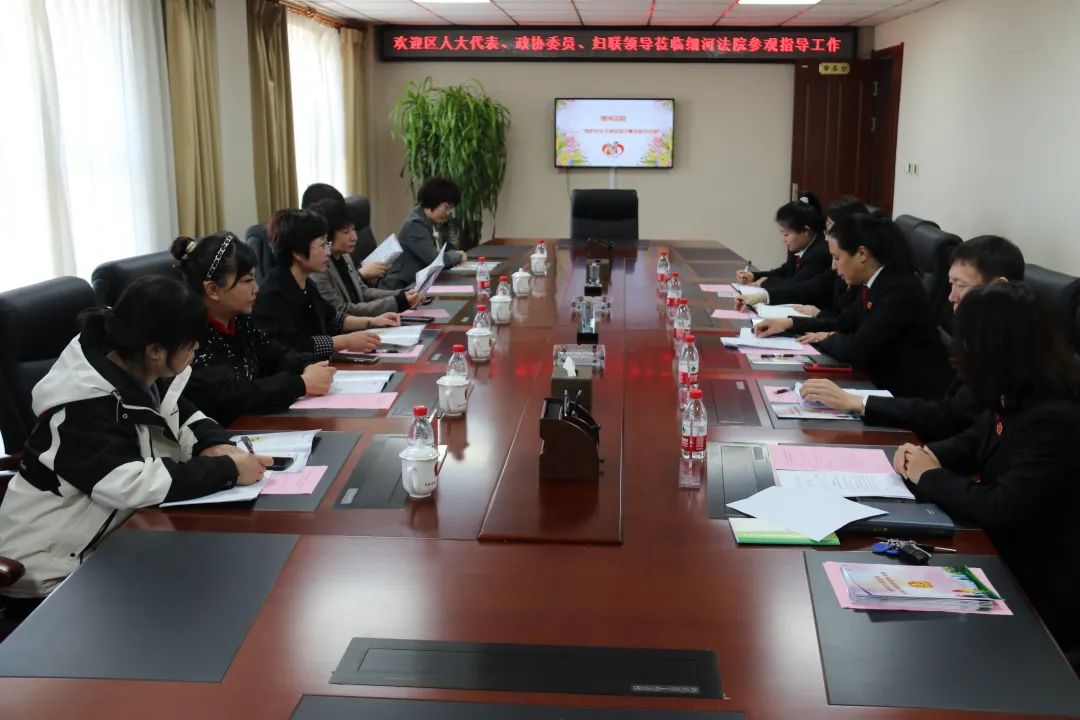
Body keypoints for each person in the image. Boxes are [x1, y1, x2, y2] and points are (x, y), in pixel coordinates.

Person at [0, 276, 272, 607]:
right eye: (190, 343)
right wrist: (226, 470)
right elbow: (130, 483)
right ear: (155, 350)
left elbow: (178, 411)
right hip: (48, 570)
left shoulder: (137, 365)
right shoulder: (83, 406)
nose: (197, 349)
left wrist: (211, 443)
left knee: (223, 580)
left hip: (114, 542)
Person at [894, 282, 1080, 654]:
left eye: (967, 343)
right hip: (1000, 552)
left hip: (1038, 587)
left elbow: (1001, 506)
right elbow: (974, 442)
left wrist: (929, 474)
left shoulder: (1054, 416)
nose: (959, 352)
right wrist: (923, 454)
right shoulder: (1015, 392)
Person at [800, 236, 1025, 440]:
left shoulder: (1010, 354)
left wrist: (857, 402)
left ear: (998, 287)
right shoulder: (982, 338)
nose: (951, 297)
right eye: (951, 284)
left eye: (961, 285)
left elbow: (952, 419)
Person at [755, 213, 952, 399]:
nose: (834, 266)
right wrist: (789, 323)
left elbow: (857, 350)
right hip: (881, 383)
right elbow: (843, 321)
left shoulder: (898, 290)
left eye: (837, 258)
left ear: (862, 254)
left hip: (908, 396)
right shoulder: (876, 282)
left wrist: (828, 338)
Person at [172, 231, 338, 426]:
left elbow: (275, 352)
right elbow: (231, 395)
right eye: (247, 280)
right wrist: (300, 384)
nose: (256, 288)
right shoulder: (191, 338)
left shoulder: (239, 321)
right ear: (213, 290)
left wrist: (305, 366)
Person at [253, 209, 397, 358]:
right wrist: (346, 341)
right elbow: (296, 345)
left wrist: (371, 322)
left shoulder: (306, 284)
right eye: (322, 245)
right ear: (298, 253)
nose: (328, 252)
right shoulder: (273, 295)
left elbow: (333, 318)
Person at [308, 198, 423, 318]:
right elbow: (342, 311)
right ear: (327, 236)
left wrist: (402, 295)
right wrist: (398, 302)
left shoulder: (345, 256)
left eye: (353, 229)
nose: (354, 237)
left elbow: (363, 292)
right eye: (346, 232)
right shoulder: (319, 268)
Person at [733, 192, 832, 309]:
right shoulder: (799, 246)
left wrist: (765, 282)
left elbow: (796, 284)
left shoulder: (819, 253)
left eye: (786, 234)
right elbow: (785, 271)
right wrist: (754, 276)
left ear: (805, 231)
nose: (783, 239)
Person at [787, 195, 869, 318]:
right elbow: (812, 286)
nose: (826, 235)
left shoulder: (861, 275)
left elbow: (849, 323)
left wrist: (819, 314)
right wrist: (765, 295)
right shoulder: (841, 259)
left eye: (830, 225)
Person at [383, 177, 468, 290]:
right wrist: (458, 255)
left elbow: (449, 248)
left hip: (420, 285)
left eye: (451, 208)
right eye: (446, 207)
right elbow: (435, 260)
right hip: (401, 288)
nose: (448, 213)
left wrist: (454, 254)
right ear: (433, 201)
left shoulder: (436, 221)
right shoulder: (414, 224)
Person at [302, 183, 387, 286]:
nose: (354, 238)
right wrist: (361, 274)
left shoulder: (342, 251)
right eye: (345, 231)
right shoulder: (316, 259)